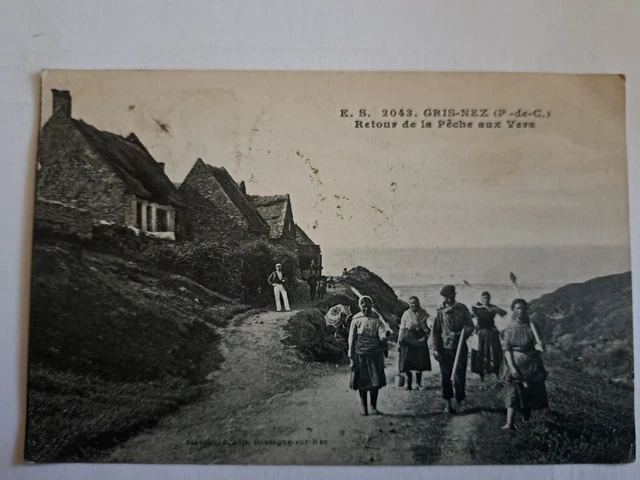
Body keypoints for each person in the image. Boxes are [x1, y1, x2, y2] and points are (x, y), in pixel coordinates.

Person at [499, 298, 548, 430]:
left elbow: (538, 344)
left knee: (528, 392)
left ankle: (526, 421)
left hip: (531, 363)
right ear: (513, 310)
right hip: (513, 362)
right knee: (512, 392)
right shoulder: (509, 328)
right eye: (517, 308)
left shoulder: (532, 326)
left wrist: (540, 346)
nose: (520, 311)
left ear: (526, 310)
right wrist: (513, 367)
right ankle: (510, 423)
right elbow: (507, 350)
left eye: (522, 308)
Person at [429, 285, 474, 413]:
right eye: (445, 298)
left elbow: (470, 326)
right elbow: (435, 331)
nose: (447, 300)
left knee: (460, 375)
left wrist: (460, 335)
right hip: (444, 348)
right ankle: (448, 403)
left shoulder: (462, 309)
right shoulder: (440, 311)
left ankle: (459, 402)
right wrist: (435, 348)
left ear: (454, 295)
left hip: (460, 347)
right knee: (445, 376)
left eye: (449, 297)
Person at [348, 296, 390, 416]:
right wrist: (351, 358)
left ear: (372, 305)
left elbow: (381, 334)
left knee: (375, 383)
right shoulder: (356, 319)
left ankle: (373, 407)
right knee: (362, 383)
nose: (366, 308)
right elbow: (351, 339)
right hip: (360, 355)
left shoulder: (377, 318)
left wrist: (385, 334)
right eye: (363, 306)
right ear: (360, 306)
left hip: (375, 354)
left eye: (368, 305)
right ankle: (364, 408)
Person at [471, 291, 507, 388]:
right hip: (480, 335)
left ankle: (498, 380)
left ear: (489, 299)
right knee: (480, 357)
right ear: (481, 299)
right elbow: (468, 316)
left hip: (491, 334)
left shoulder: (492, 308)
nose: (485, 300)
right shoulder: (476, 308)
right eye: (483, 298)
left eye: (487, 298)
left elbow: (504, 313)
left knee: (494, 356)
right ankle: (482, 382)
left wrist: (494, 309)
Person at [398, 296, 432, 390]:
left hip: (420, 338)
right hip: (408, 338)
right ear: (409, 304)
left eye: (415, 303)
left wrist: (430, 325)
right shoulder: (406, 314)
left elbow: (429, 321)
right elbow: (402, 328)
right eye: (411, 303)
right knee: (407, 362)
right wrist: (399, 341)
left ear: (418, 303)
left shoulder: (423, 313)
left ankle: (418, 384)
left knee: (420, 362)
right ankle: (408, 384)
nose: (413, 305)